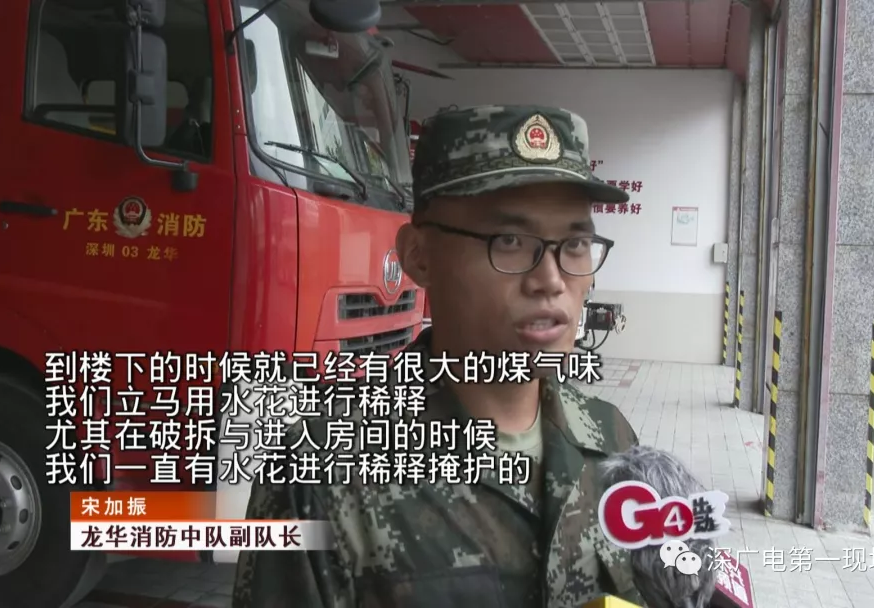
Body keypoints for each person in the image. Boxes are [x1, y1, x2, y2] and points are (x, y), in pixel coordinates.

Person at [232, 105, 644, 608]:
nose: (552, 280)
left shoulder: (612, 439)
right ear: (418, 256)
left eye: (576, 243)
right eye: (510, 241)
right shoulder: (320, 473)